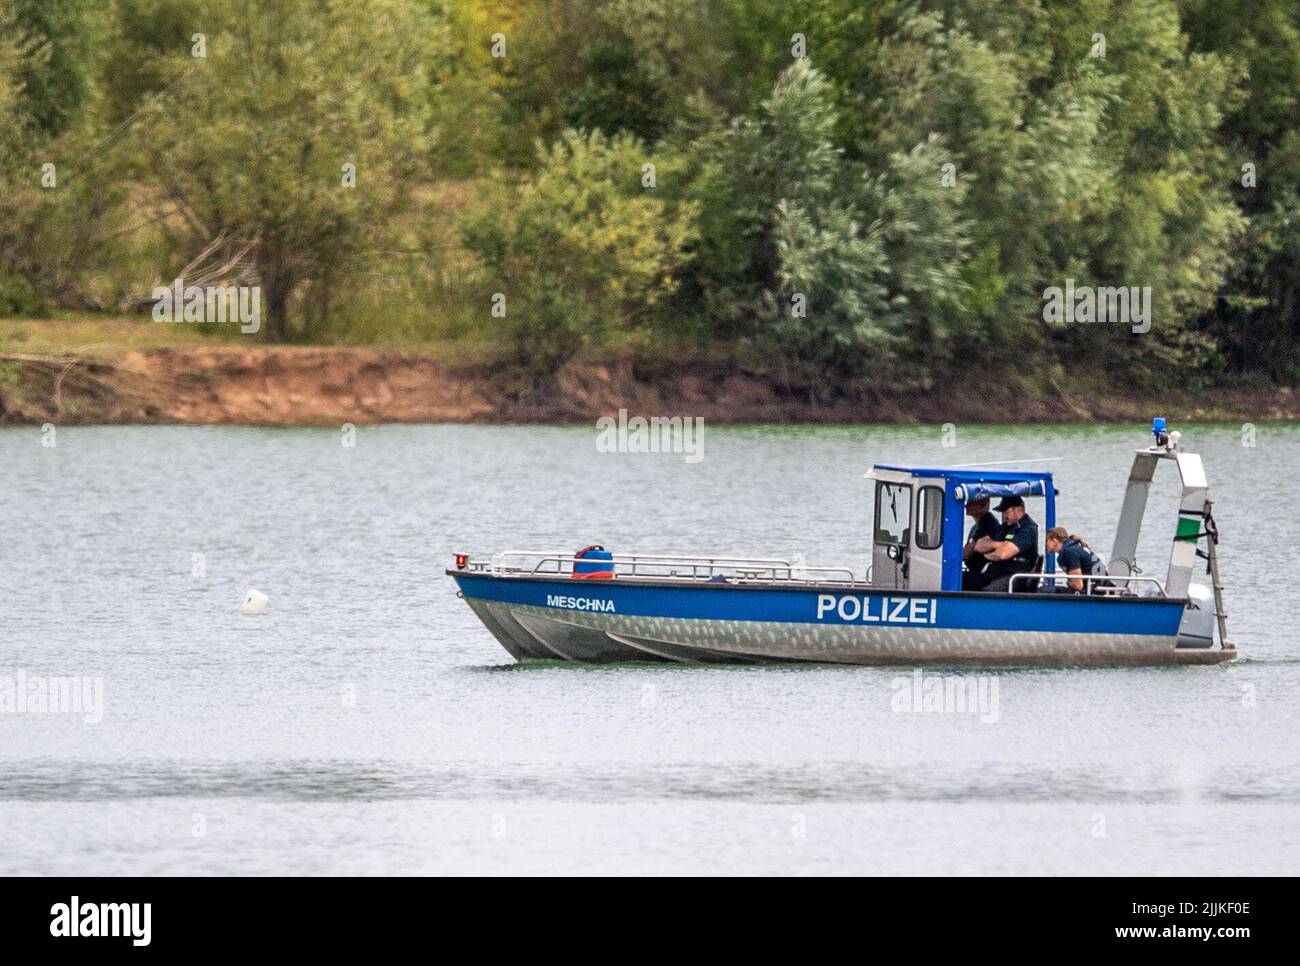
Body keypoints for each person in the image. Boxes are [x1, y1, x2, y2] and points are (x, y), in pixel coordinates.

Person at [968, 495, 1039, 592]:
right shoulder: (1004, 527)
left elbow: (1002, 554)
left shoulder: (1028, 529)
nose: (1004, 516)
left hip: (1014, 575)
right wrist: (1001, 544)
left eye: (1006, 512)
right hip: (997, 572)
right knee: (965, 581)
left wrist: (988, 554)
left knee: (988, 591)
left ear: (1018, 509)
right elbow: (979, 545)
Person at [1044, 527, 1101, 594]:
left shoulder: (1069, 552)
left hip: (1097, 590)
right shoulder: (1072, 547)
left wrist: (1071, 583)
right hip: (1096, 586)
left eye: (1047, 541)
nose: (1046, 544)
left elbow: (1078, 586)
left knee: (1044, 590)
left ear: (1054, 541)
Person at [960, 497, 1000, 590]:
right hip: (976, 571)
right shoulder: (977, 525)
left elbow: (967, 553)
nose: (966, 505)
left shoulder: (988, 523)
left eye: (971, 502)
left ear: (984, 505)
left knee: (958, 579)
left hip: (984, 573)